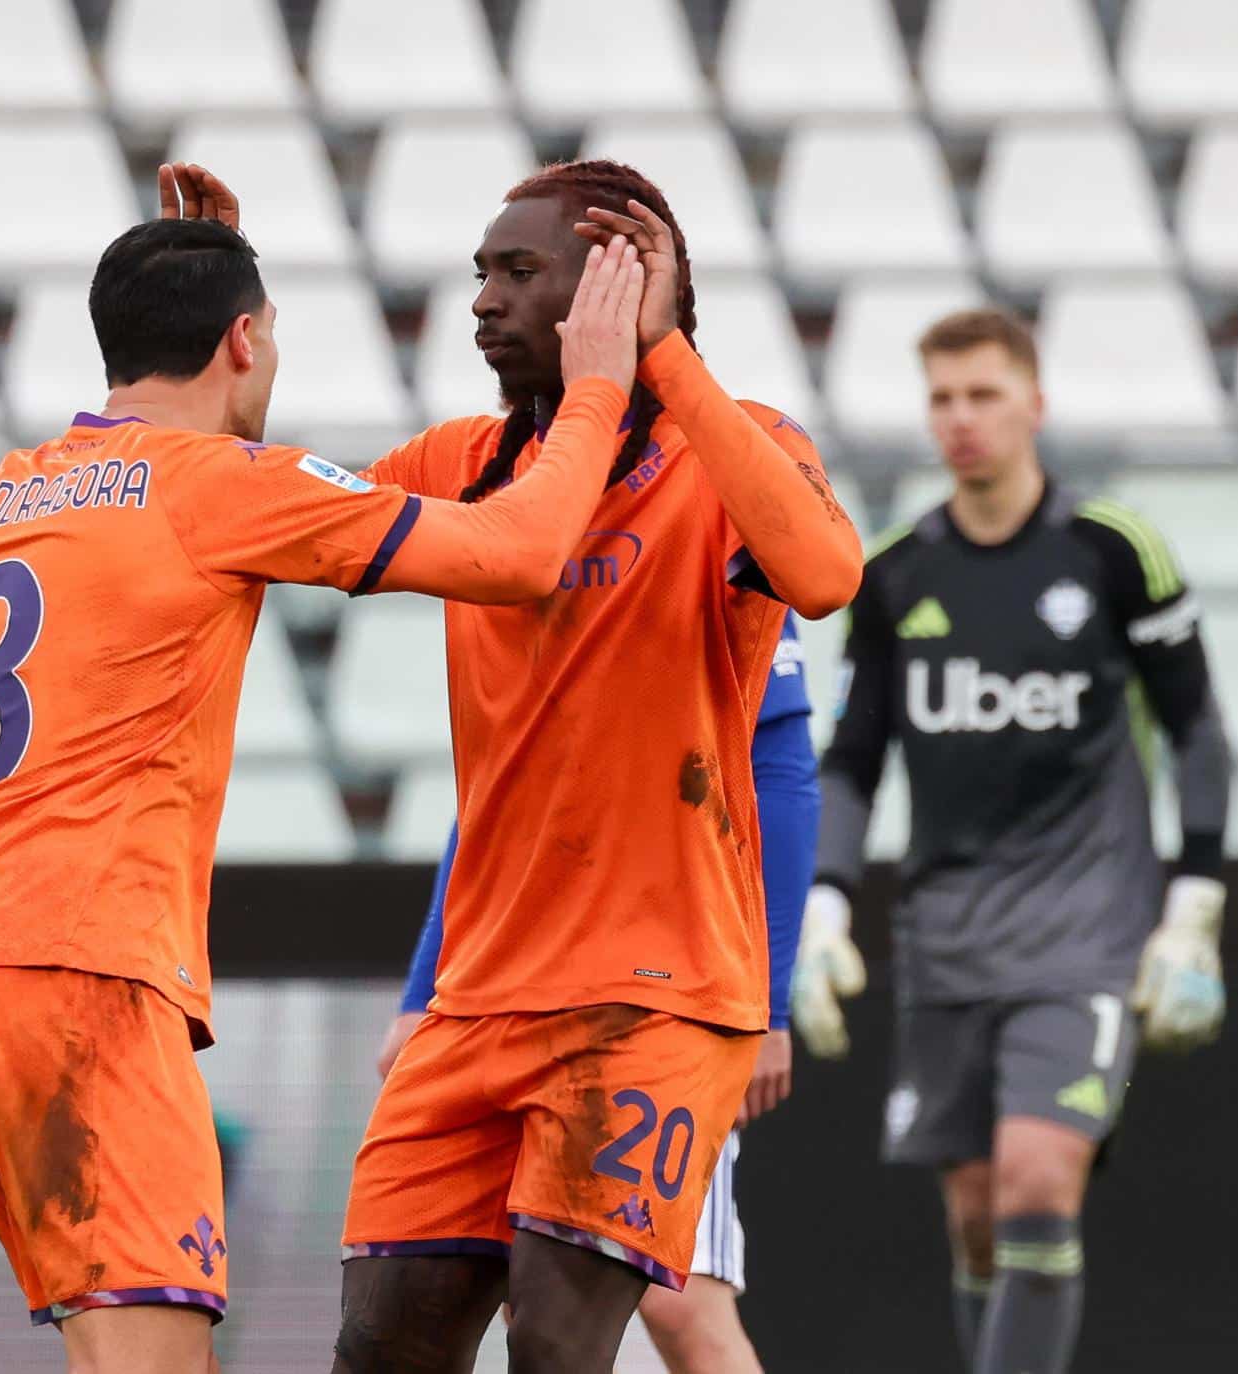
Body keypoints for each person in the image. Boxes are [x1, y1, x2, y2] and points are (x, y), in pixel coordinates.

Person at [0, 166, 651, 1374]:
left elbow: (152, 490)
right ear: (243, 340)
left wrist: (193, 274)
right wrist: (600, 384)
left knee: (111, 1344)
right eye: (270, 337)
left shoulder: (2, 493)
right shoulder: (220, 491)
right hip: (87, 969)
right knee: (154, 1355)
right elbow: (520, 551)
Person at [316, 158, 863, 1374]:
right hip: (476, 1003)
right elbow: (275, 513)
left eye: (518, 273)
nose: (482, 303)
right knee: (378, 1348)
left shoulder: (742, 453)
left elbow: (826, 579)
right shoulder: (460, 461)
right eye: (480, 276)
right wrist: (205, 314)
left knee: (564, 1348)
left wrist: (663, 359)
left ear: (619, 281)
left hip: (652, 998)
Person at [791, 307, 1233, 1374]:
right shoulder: (894, 575)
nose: (961, 419)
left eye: (983, 394)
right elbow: (854, 758)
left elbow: (1199, 736)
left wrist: (1196, 910)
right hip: (948, 934)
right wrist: (827, 901)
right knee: (980, 1213)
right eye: (941, 399)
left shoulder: (1115, 554)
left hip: (1089, 925)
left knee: (1038, 1176)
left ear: (1034, 404)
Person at [376, 615, 821, 1374]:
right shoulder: (525, 524)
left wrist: (769, 1003)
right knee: (532, 1301)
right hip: (511, 986)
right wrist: (426, 989)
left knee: (684, 1304)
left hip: (661, 991)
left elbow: (780, 772)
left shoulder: (706, 515)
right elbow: (491, 788)